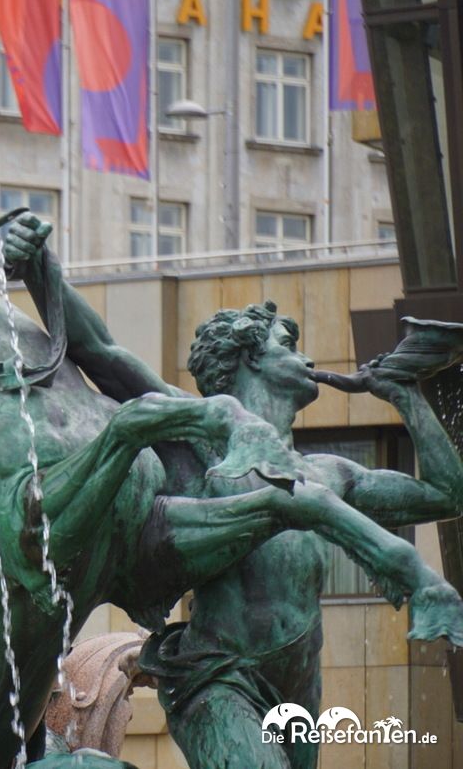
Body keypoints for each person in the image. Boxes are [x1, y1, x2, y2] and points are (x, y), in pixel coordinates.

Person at [135, 301, 463, 769]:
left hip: (299, 684)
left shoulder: (328, 473)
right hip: (220, 676)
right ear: (250, 358)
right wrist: (43, 272)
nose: (307, 360)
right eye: (289, 346)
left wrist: (405, 394)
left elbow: (446, 495)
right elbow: (102, 352)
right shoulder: (203, 438)